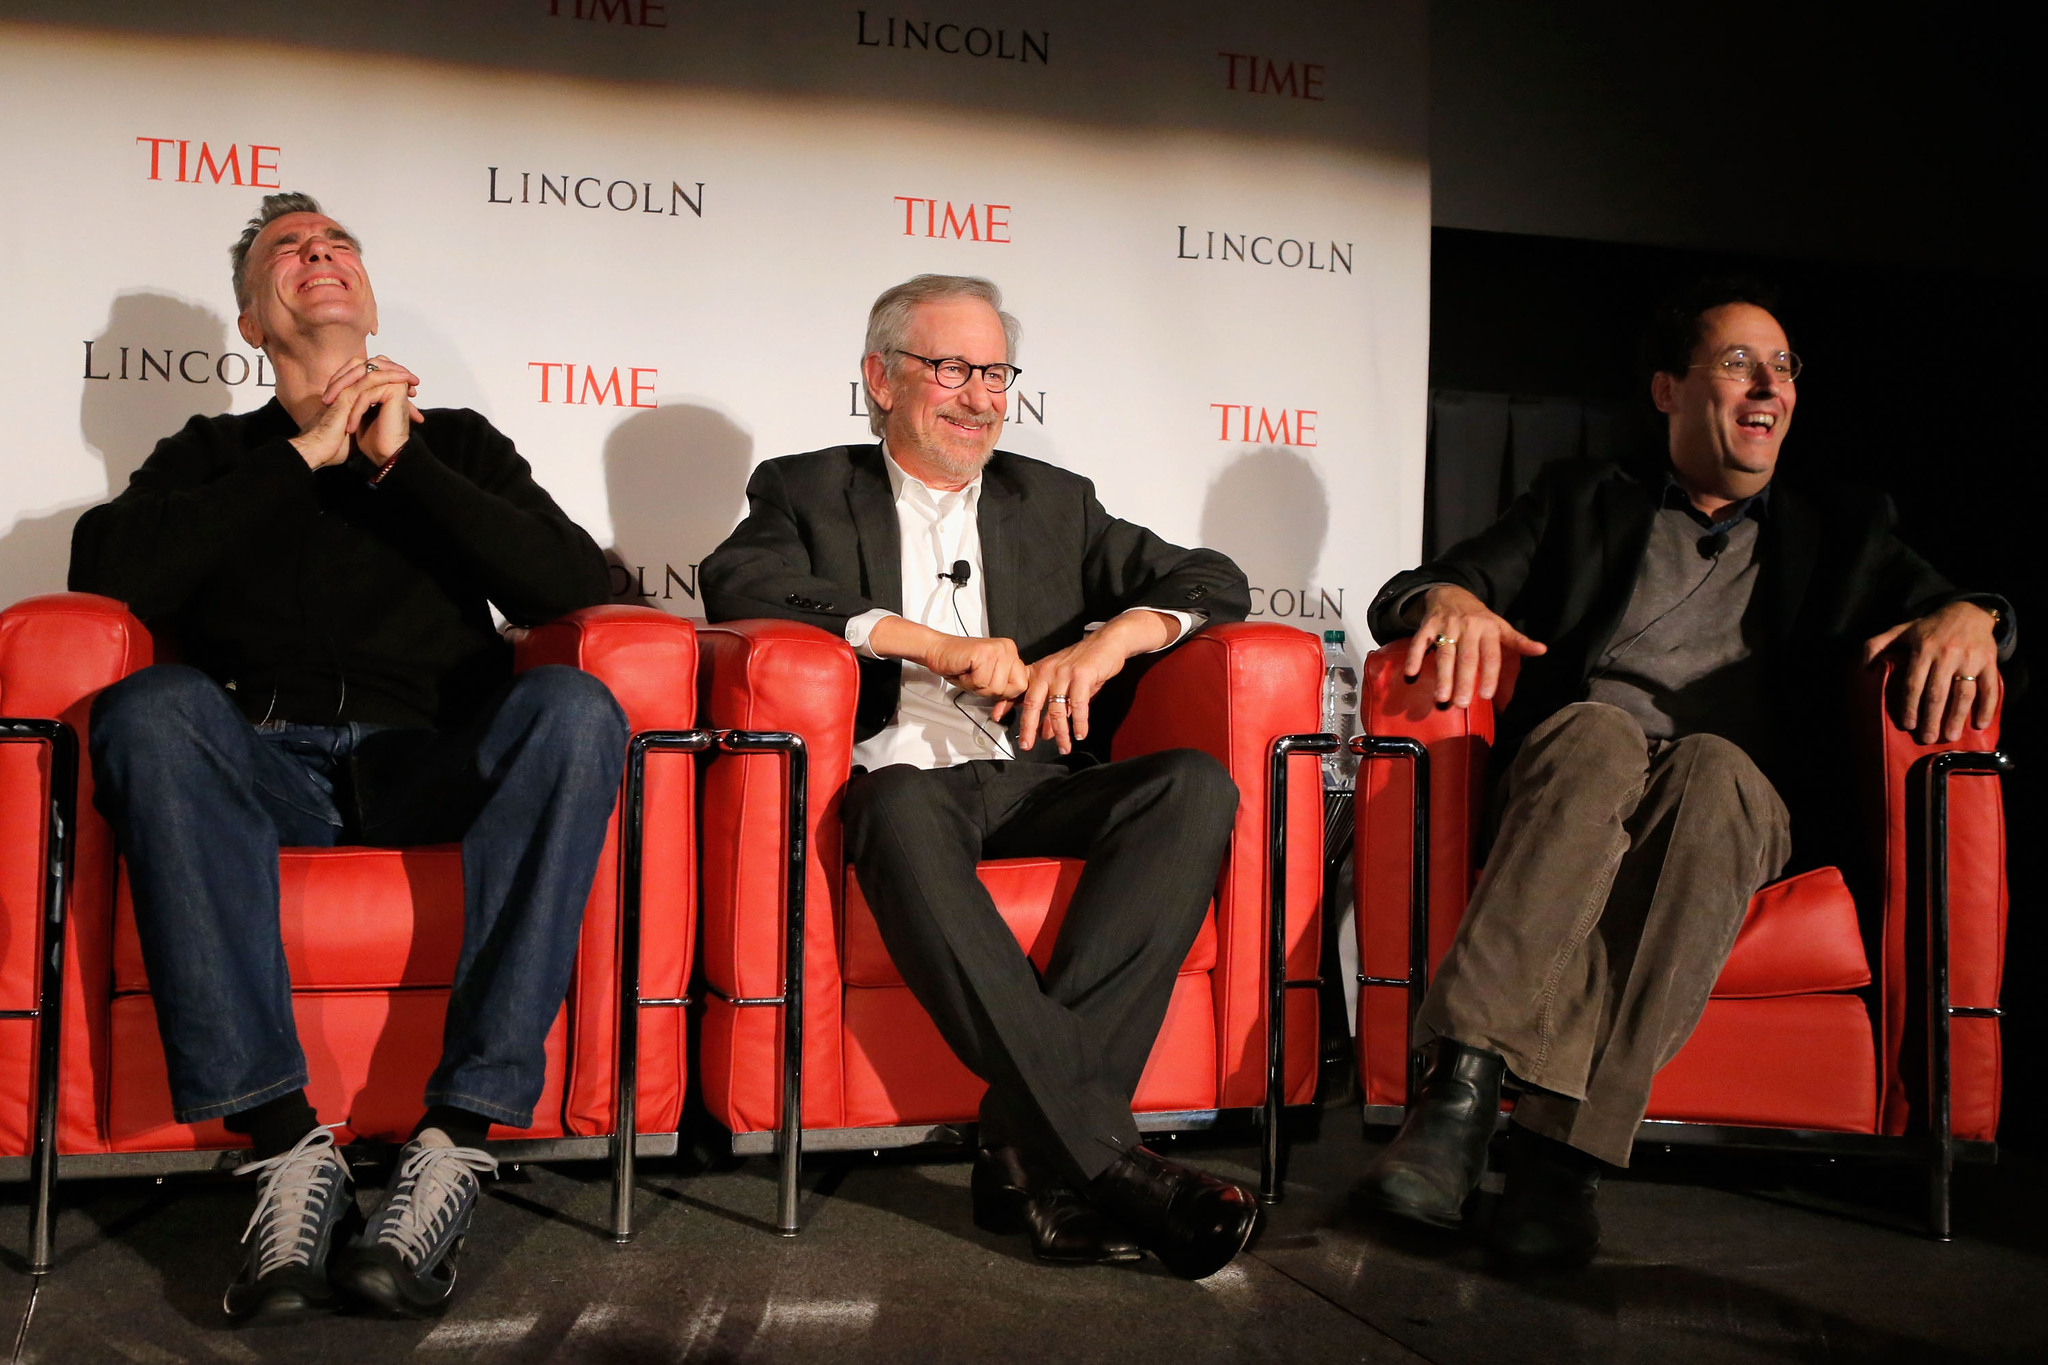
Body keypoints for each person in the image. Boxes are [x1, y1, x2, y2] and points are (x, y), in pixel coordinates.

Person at [1352, 279, 2015, 1269]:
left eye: (1783, 366)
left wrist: (1979, 615)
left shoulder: (1840, 524)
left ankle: (1557, 1155)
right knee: (1594, 736)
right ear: (1666, 391)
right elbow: (1411, 593)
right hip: (1579, 779)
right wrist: (1447, 599)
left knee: (1712, 772)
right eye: (1739, 362)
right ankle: (1457, 1106)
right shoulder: (1577, 499)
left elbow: (1956, 604)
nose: (1769, 384)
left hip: (1728, 797)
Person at [70, 192, 627, 1320]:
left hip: (429, 762)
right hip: (265, 768)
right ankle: (286, 1146)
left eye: (337, 247)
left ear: (364, 297)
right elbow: (106, 577)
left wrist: (396, 464)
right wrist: (303, 453)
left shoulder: (454, 444)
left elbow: (580, 591)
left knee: (575, 707)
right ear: (250, 321)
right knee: (149, 708)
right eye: (290, 251)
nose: (319, 258)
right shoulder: (213, 454)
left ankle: (456, 1139)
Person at [701, 274, 1260, 1279]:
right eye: (950, 368)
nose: (979, 396)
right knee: (902, 804)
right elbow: (740, 581)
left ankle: (1034, 1147)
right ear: (879, 378)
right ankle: (1100, 1166)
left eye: (995, 372)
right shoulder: (804, 488)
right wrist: (929, 647)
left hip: (1031, 775)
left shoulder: (1051, 500)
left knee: (1191, 787)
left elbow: (1209, 578)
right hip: (898, 787)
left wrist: (1109, 645)